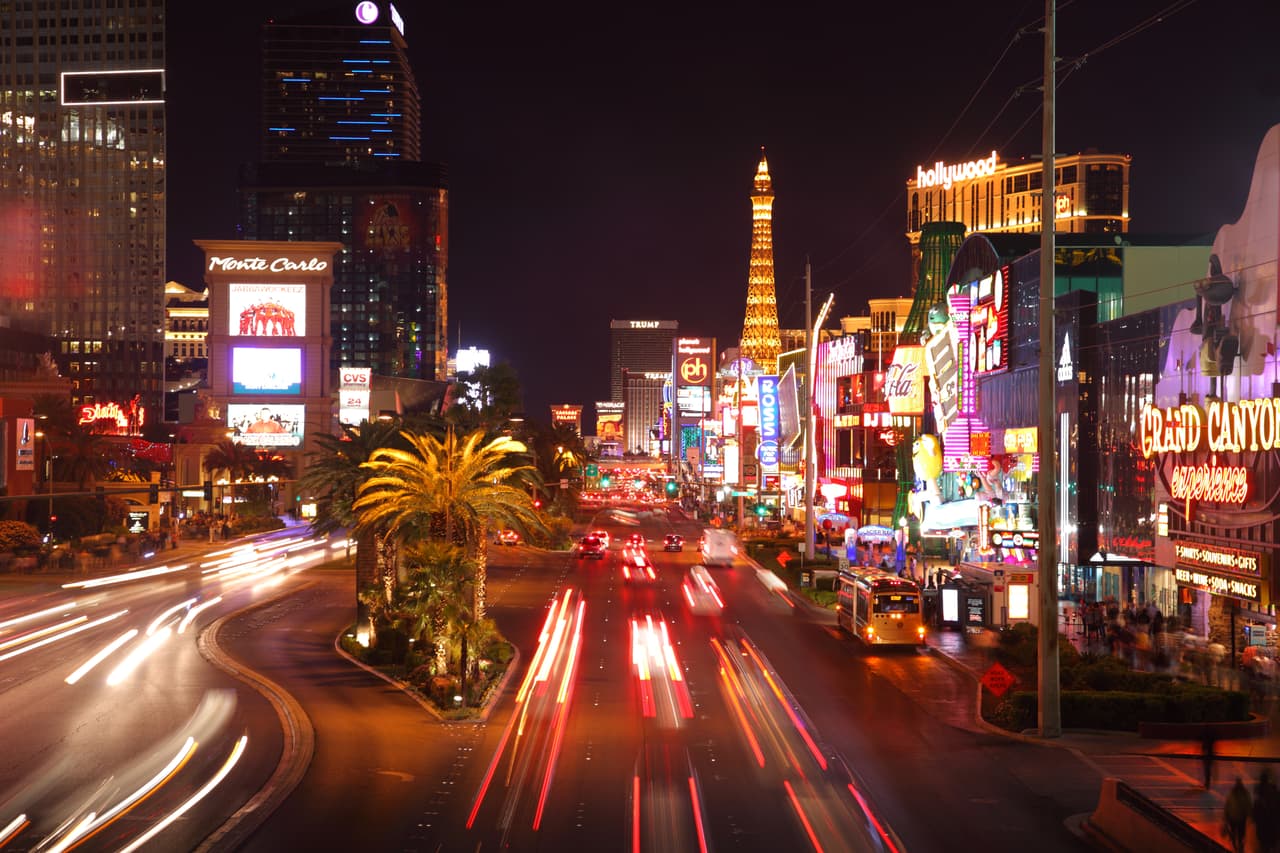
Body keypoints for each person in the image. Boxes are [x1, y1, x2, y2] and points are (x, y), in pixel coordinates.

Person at [1225, 776, 1252, 853]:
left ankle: (1236, 847)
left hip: (1234, 817)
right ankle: (1238, 847)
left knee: (1236, 834)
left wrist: (1226, 816)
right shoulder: (1244, 793)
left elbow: (1227, 805)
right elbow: (1248, 804)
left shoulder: (1232, 793)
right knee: (1240, 834)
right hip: (1239, 818)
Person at [1256, 767, 1280, 853]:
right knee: (1270, 842)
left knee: (1265, 843)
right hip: (1271, 824)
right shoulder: (1275, 796)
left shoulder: (1260, 795)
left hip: (1265, 825)